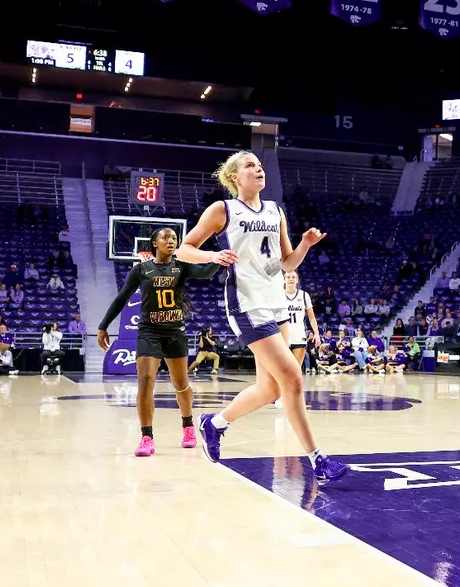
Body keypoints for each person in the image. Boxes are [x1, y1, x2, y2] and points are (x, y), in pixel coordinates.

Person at [179, 151, 346, 483]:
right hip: (246, 303)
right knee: (293, 378)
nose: (258, 169)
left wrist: (304, 245)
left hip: (276, 304)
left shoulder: (276, 211)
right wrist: (213, 254)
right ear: (235, 177)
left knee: (270, 390)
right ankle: (318, 460)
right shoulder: (222, 210)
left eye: (259, 165)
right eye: (249, 166)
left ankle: (214, 424)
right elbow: (185, 248)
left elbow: (287, 263)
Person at [99, 227, 217, 457]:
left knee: (181, 384)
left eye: (174, 238)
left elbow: (206, 273)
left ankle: (188, 426)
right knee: (145, 381)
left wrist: (218, 258)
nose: (171, 240)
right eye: (165, 237)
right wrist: (104, 325)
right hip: (149, 332)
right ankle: (146, 436)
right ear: (154, 242)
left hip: (175, 332)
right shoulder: (141, 270)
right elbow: (122, 298)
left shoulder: (181, 267)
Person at [283, 270, 320, 372]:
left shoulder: (304, 295)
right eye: (288, 277)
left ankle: (294, 388)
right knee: (282, 371)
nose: (291, 279)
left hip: (299, 336)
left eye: (293, 277)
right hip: (282, 337)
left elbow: (311, 317)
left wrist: (316, 333)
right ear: (284, 280)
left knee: (295, 371)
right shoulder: (278, 295)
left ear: (297, 280)